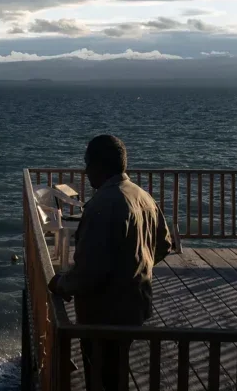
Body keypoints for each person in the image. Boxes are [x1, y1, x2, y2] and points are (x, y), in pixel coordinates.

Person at [48, 135, 173, 390]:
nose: (85, 170)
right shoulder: (143, 197)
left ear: (99, 165)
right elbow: (164, 244)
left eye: (87, 163)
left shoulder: (103, 206)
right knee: (117, 371)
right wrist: (135, 269)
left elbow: (89, 271)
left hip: (103, 314)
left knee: (102, 379)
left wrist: (61, 284)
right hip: (135, 306)